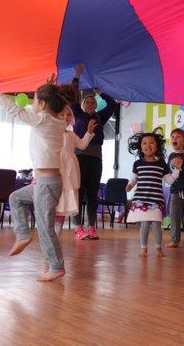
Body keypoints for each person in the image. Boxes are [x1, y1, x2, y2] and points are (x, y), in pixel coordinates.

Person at [0, 71, 70, 282]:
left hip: (46, 184)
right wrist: (49, 88)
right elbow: (53, 107)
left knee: (44, 226)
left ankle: (56, 266)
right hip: (44, 182)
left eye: (35, 100)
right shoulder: (59, 121)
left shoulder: (42, 119)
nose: (32, 104)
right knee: (15, 198)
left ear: (42, 105)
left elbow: (16, 110)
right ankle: (23, 235)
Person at [70, 64, 117, 240]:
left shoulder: (100, 117)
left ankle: (91, 227)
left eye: (92, 102)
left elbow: (112, 104)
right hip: (79, 156)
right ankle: (78, 227)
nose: (90, 104)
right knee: (78, 191)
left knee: (92, 193)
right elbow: (73, 95)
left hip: (96, 158)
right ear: (82, 104)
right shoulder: (77, 113)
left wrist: (99, 92)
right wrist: (77, 76)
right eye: (87, 102)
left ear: (95, 105)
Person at [126, 131, 181, 257]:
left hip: (156, 201)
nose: (148, 145)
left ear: (157, 146)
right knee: (144, 225)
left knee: (156, 224)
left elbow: (170, 180)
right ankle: (143, 248)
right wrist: (129, 186)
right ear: (141, 147)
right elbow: (133, 179)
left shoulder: (161, 163)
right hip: (142, 200)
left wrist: (177, 169)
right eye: (144, 143)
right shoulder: (137, 164)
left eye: (151, 143)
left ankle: (158, 248)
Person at [54, 106, 96, 235]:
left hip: (70, 170)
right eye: (62, 114)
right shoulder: (52, 132)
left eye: (68, 115)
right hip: (57, 168)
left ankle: (57, 235)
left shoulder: (71, 134)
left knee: (65, 203)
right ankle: (52, 234)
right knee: (56, 201)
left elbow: (82, 145)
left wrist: (89, 132)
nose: (66, 117)